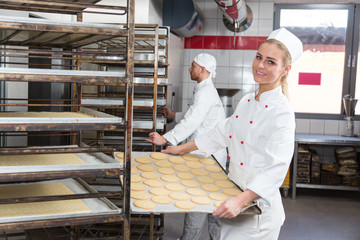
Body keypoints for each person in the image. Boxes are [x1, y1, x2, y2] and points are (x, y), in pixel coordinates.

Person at [161, 27, 303, 240]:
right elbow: (221, 132)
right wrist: (180, 148)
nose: (261, 65)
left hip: (256, 211)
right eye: (259, 57)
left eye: (271, 62)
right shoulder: (247, 100)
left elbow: (276, 169)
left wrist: (241, 200)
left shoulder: (281, 113)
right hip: (234, 194)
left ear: (286, 69)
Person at [146, 53, 227, 240]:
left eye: (193, 66)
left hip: (207, 158)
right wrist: (174, 115)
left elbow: (193, 121)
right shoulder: (202, 90)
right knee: (214, 204)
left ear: (203, 70)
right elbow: (195, 116)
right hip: (207, 155)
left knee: (198, 202)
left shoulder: (206, 92)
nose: (189, 69)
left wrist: (165, 138)